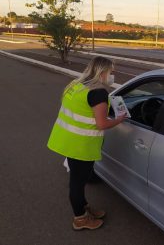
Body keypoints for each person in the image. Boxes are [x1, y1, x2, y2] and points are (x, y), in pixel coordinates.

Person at [47, 56, 125, 230]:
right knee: (77, 182)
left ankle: (83, 207)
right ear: (102, 72)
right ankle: (80, 219)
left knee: (78, 179)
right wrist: (120, 119)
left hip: (67, 139)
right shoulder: (98, 93)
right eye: (111, 72)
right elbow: (102, 124)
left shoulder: (76, 84)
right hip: (81, 145)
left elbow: (83, 109)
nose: (112, 75)